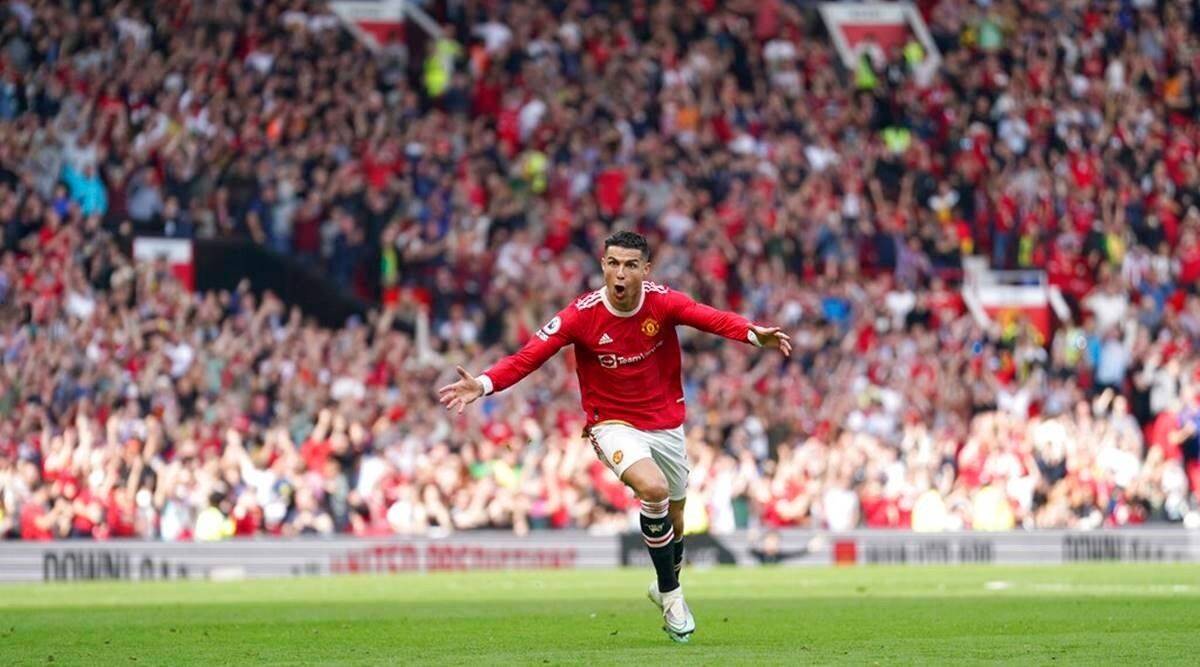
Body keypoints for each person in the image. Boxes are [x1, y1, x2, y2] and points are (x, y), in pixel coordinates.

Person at [437, 230, 791, 642]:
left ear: (645, 269)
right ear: (603, 265)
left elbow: (709, 317)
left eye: (629, 265)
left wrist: (752, 333)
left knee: (677, 519)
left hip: (666, 423)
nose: (620, 273)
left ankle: (664, 584)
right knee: (653, 489)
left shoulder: (663, 302)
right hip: (611, 424)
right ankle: (673, 596)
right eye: (613, 264)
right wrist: (483, 384)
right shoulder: (580, 315)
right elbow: (527, 357)